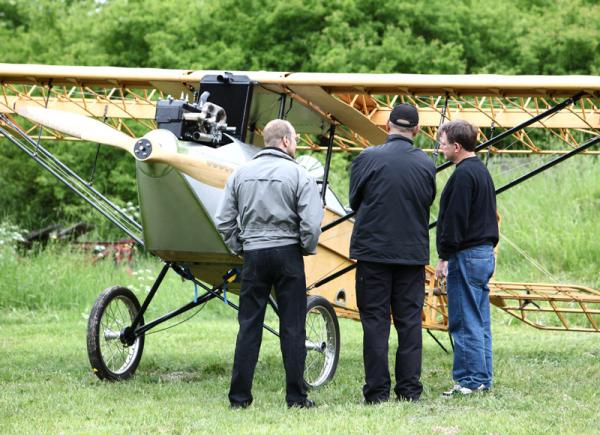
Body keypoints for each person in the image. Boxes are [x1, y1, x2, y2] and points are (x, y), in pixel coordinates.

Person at [215, 119, 323, 409]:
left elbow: (223, 220)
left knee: (249, 325)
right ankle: (296, 398)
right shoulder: (299, 174)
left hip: (254, 254)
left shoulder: (240, 174)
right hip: (288, 253)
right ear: (286, 142)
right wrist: (304, 247)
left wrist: (242, 246)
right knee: (293, 326)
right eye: (296, 139)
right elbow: (312, 223)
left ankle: (239, 399)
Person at [349, 103, 436, 403]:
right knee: (409, 322)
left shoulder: (367, 158)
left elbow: (354, 201)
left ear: (387, 126)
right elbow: (426, 200)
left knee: (375, 322)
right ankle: (409, 390)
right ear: (416, 130)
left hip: (373, 254)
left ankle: (376, 392)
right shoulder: (426, 163)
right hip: (411, 255)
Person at [434, 119, 499, 396]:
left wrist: (444, 256)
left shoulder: (462, 175)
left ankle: (470, 381)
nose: (440, 148)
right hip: (484, 254)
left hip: (467, 255)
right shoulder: (481, 171)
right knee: (479, 319)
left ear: (457, 146)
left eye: (443, 143)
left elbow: (455, 220)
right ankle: (482, 377)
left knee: (464, 320)